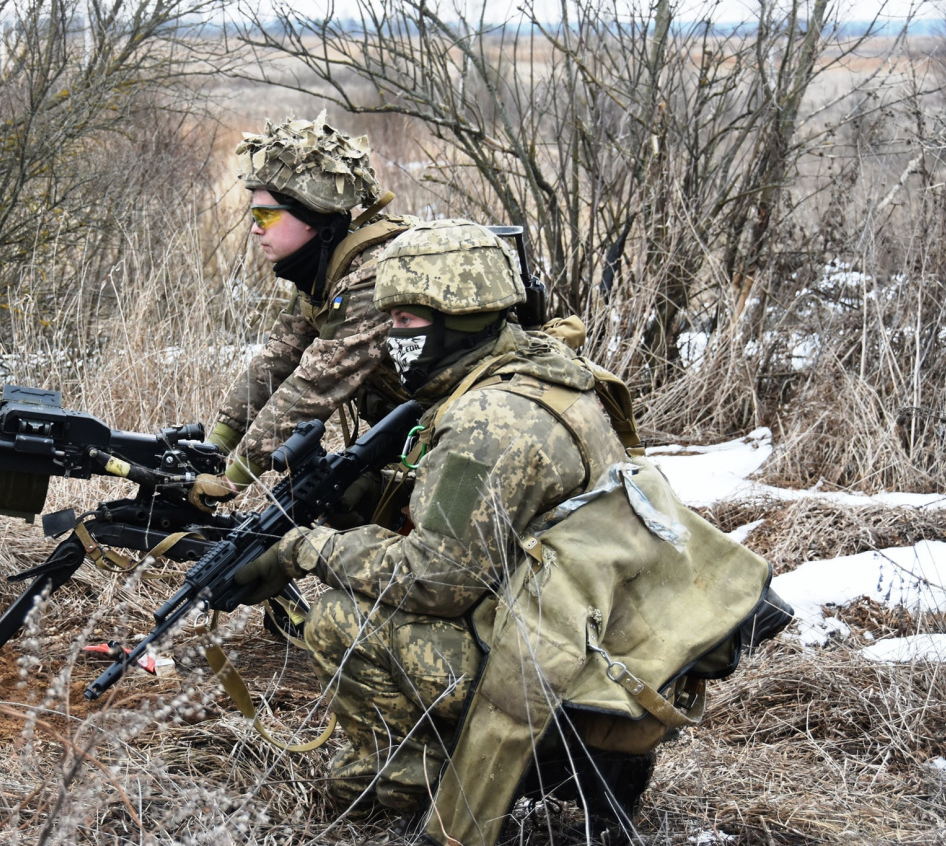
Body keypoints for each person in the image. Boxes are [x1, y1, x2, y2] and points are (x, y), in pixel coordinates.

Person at [232, 219, 780, 845]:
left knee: (341, 618)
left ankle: (393, 790)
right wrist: (375, 494)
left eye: (408, 321)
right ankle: (588, 768)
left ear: (460, 319)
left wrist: (305, 550)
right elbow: (503, 517)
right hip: (616, 644)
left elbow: (437, 581)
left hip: (561, 675)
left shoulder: (489, 420)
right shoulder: (541, 368)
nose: (393, 337)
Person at [188, 112, 417, 511]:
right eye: (253, 216)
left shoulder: (373, 274)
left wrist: (232, 479)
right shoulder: (327, 268)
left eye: (265, 216)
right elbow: (279, 357)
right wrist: (213, 448)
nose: (255, 229)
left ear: (312, 216)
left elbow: (317, 382)